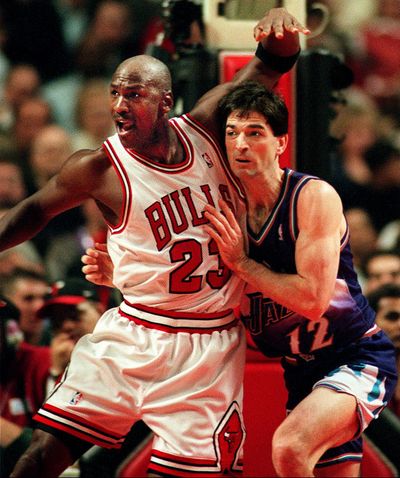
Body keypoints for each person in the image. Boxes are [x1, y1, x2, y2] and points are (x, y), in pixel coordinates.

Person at [0, 7, 309, 477]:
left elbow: (269, 65)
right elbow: (33, 211)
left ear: (166, 102)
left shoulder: (208, 125)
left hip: (207, 344)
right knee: (43, 455)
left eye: (135, 94)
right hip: (135, 330)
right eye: (114, 94)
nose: (120, 105)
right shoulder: (99, 168)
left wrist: (281, 33)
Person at [200, 81, 397, 477]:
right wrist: (118, 272)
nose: (240, 144)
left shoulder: (312, 198)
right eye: (232, 133)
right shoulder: (223, 208)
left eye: (254, 133)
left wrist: (243, 264)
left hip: (355, 356)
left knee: (290, 446)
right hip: (301, 370)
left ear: (280, 143)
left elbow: (312, 301)